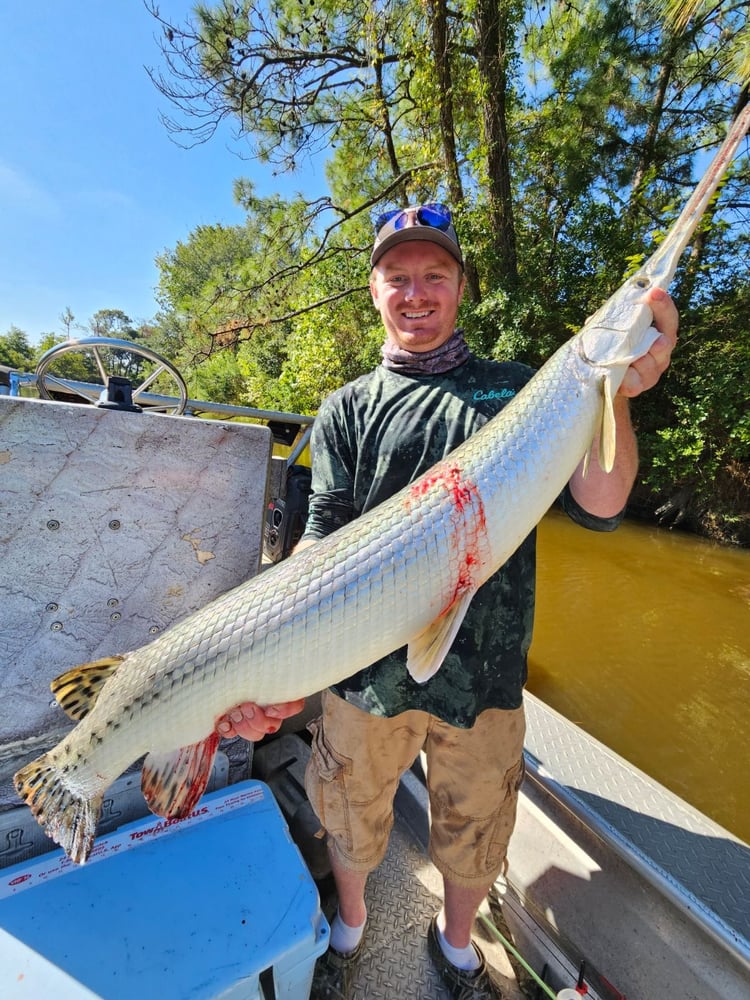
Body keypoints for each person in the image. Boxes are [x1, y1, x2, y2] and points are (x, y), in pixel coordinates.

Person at [216, 203, 678, 998]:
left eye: (435, 275)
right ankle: (351, 929)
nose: (417, 292)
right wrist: (271, 657)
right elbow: (318, 540)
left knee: (475, 833)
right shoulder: (347, 409)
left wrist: (621, 392)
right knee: (354, 818)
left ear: (462, 286)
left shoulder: (523, 391)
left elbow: (603, 503)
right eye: (399, 277)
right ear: (374, 291)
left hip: (487, 683)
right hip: (366, 681)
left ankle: (458, 948)